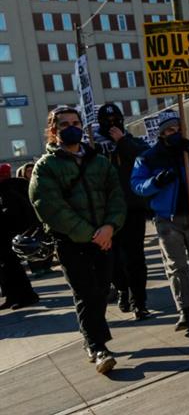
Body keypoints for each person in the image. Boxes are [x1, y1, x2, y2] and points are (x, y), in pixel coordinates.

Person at [29, 106, 125, 374]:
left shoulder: (99, 162)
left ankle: (92, 338)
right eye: (64, 124)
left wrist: (109, 227)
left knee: (101, 291)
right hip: (72, 242)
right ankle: (97, 346)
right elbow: (50, 207)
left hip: (104, 238)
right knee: (85, 293)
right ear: (53, 131)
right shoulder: (45, 167)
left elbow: (116, 196)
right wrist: (92, 235)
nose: (72, 128)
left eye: (76, 123)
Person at [131, 110, 189, 333]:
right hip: (167, 219)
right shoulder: (148, 157)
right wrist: (156, 182)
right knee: (176, 266)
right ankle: (185, 309)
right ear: (162, 133)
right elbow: (137, 185)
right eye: (170, 130)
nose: (176, 133)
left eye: (179, 129)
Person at [94, 103, 152, 320]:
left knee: (135, 257)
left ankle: (139, 302)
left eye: (116, 120)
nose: (112, 125)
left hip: (131, 207)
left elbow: (144, 158)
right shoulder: (93, 145)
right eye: (107, 122)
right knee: (112, 258)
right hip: (106, 212)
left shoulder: (132, 141)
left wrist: (122, 141)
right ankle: (122, 289)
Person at [0, 162, 40, 310]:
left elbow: (13, 212)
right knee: (7, 268)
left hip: (9, 233)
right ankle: (12, 296)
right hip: (10, 233)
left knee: (12, 268)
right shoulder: (15, 186)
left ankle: (26, 296)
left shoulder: (9, 188)